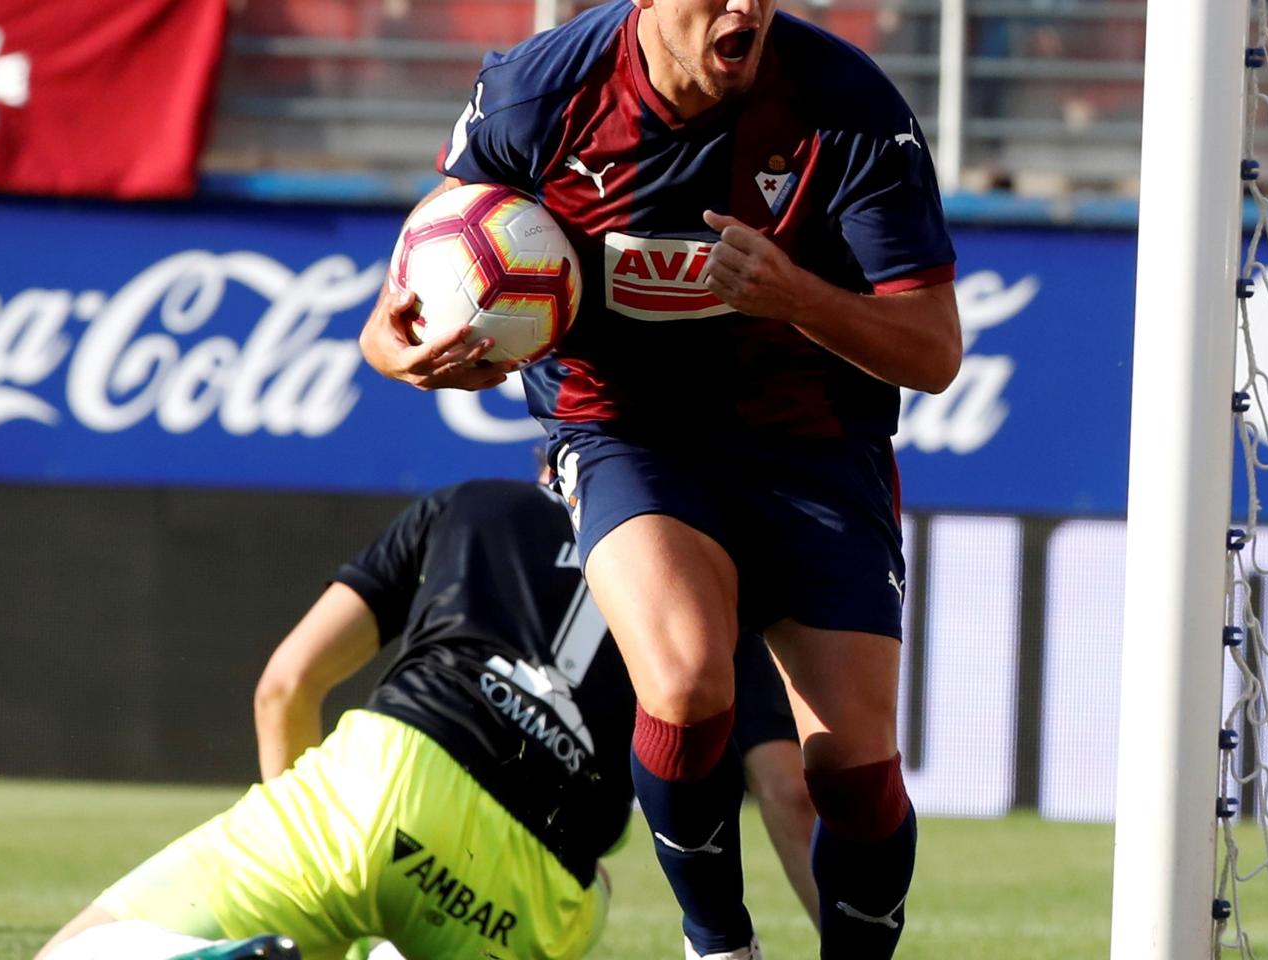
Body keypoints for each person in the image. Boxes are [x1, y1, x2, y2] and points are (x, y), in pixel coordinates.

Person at [359, 1, 961, 958]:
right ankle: (718, 942)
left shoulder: (847, 105)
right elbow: (408, 301)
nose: (744, 9)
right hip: (623, 431)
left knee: (850, 775)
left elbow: (932, 351)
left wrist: (794, 295)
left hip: (813, 443)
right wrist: (409, 352)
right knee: (683, 682)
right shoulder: (534, 96)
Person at [35, 477, 817, 960]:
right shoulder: (715, 610)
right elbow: (789, 792)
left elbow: (286, 683)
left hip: (382, 786)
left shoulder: (475, 503)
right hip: (533, 882)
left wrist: (317, 847)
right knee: (583, 891)